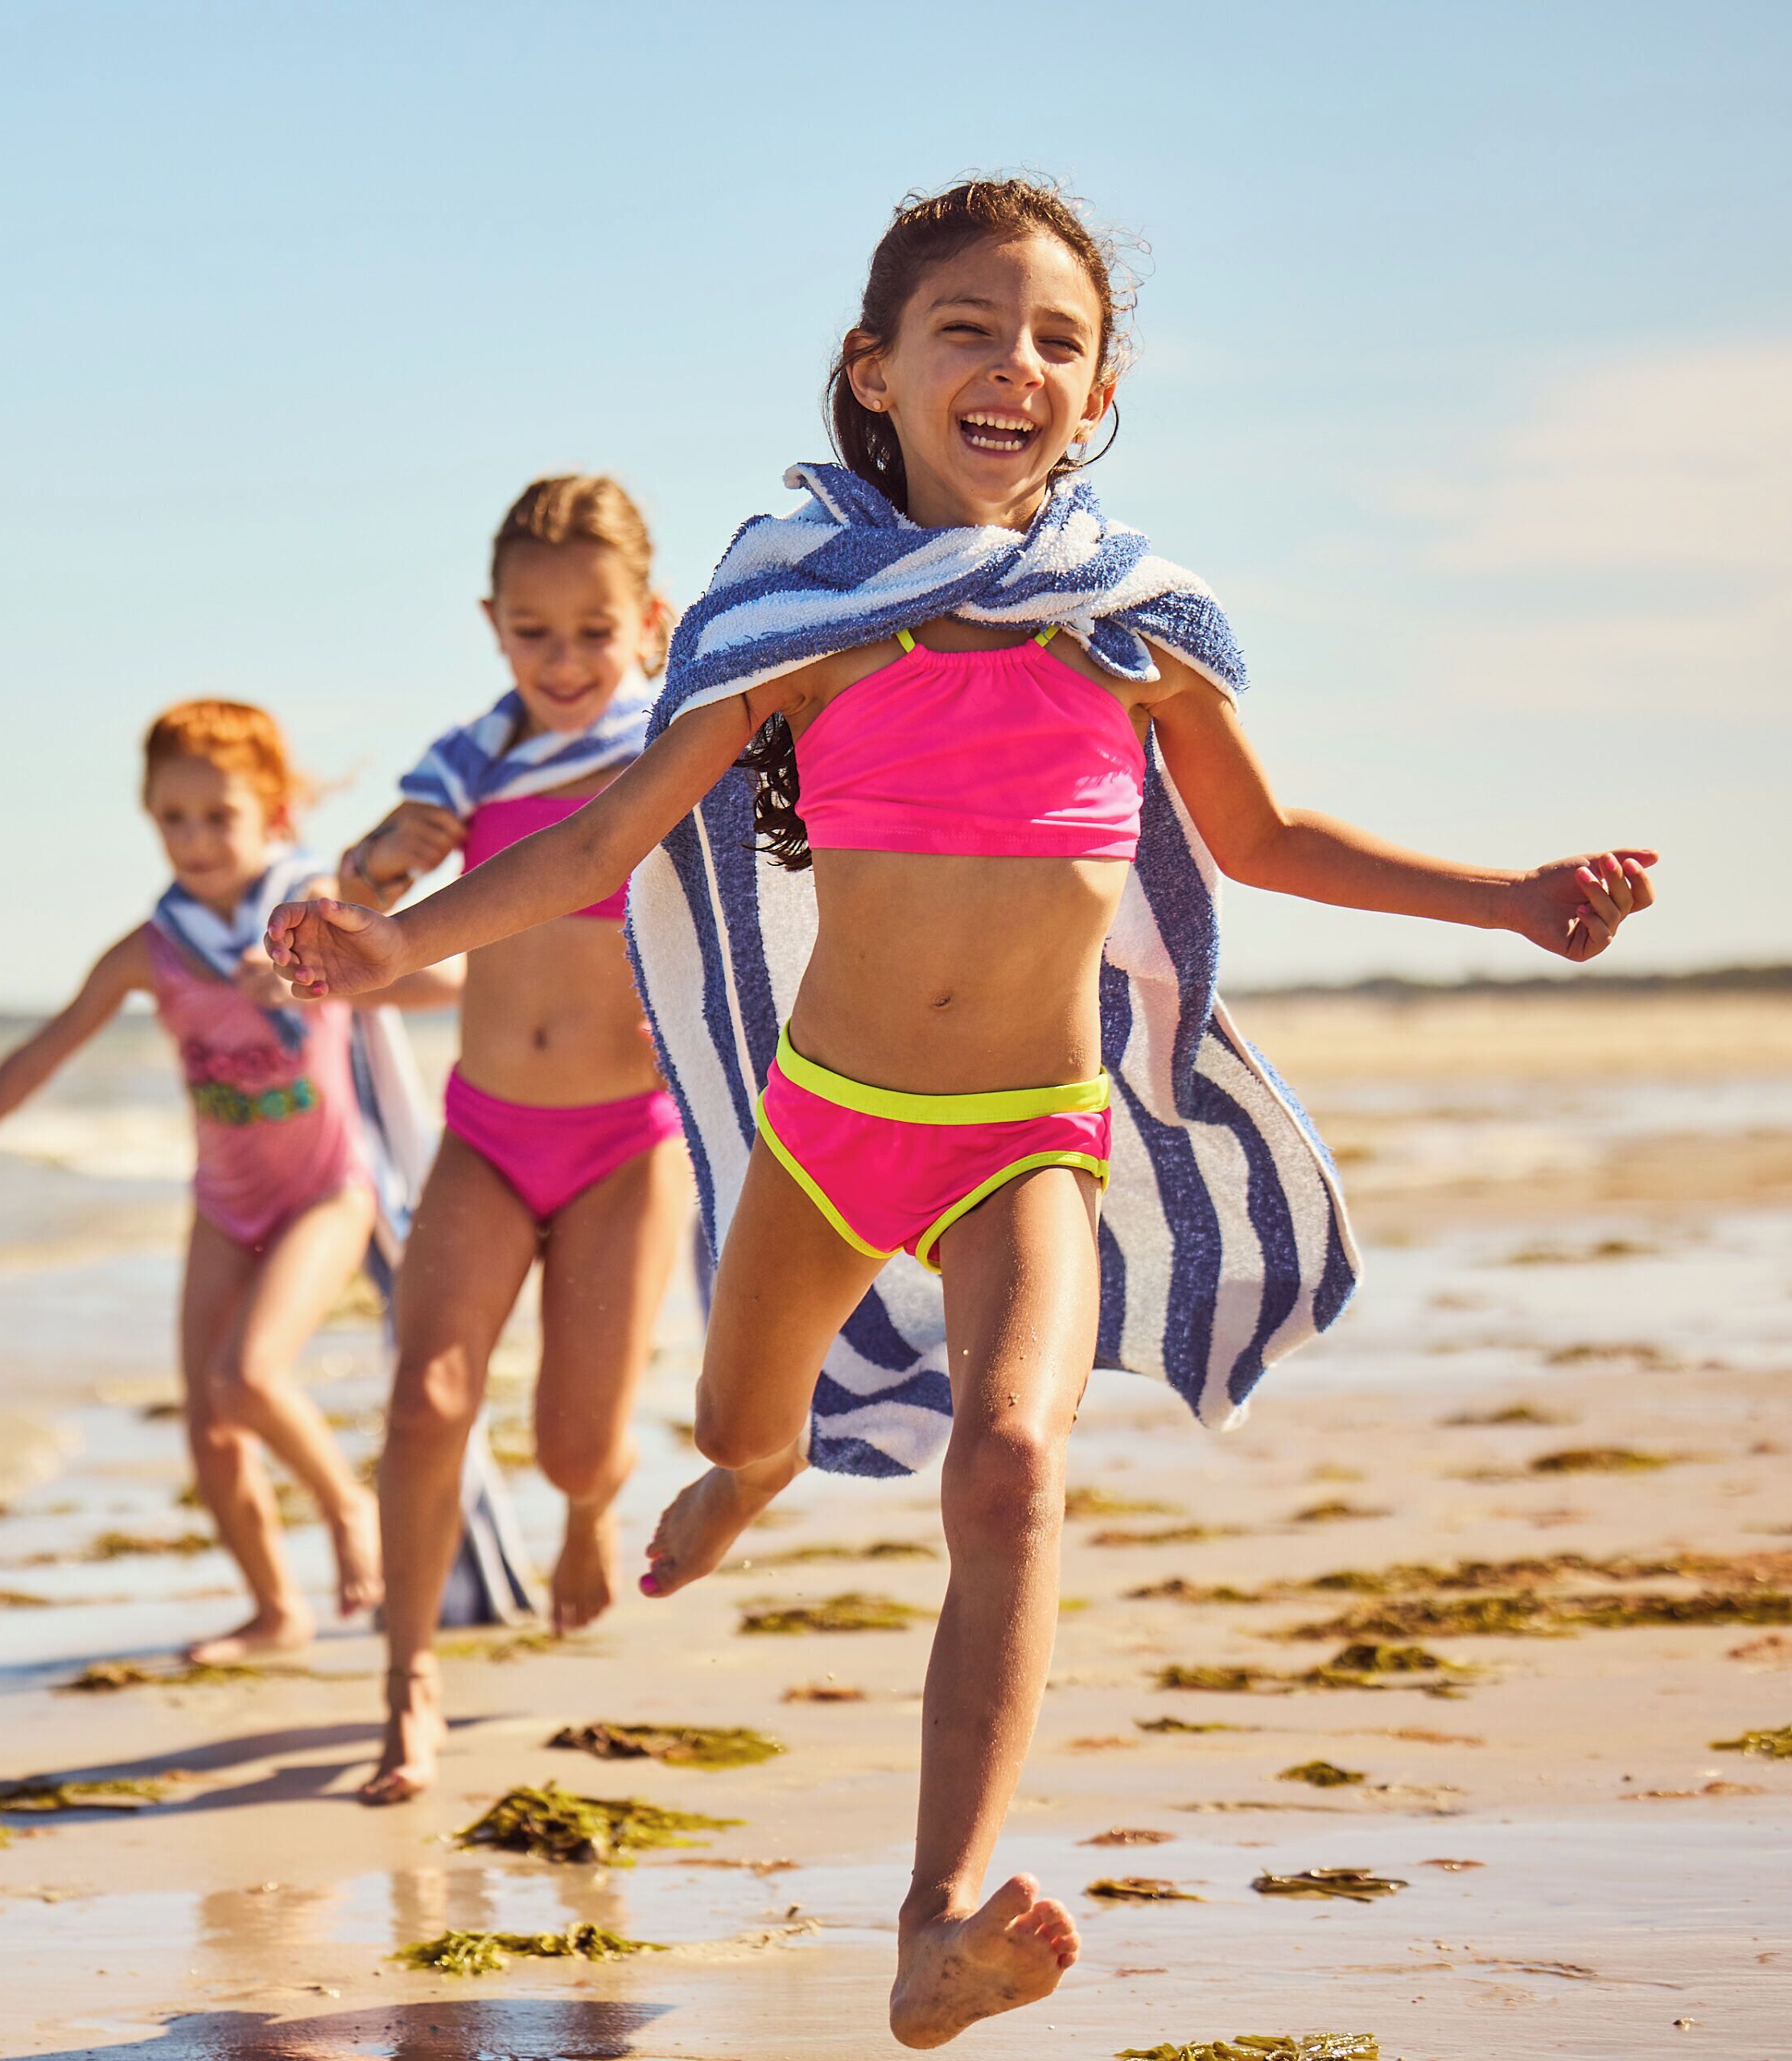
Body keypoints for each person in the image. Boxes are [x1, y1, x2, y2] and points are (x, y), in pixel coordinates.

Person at [268, 179, 1657, 2046]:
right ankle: (756, 1470)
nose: (1014, 365)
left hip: (1029, 1132)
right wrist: (383, 948)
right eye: (968, 331)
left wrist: (1504, 895)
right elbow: (604, 838)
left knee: (1004, 1464)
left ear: (1097, 392)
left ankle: (931, 1918)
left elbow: (1258, 840)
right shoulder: (801, 625)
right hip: (828, 1124)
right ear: (876, 369)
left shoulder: (1129, 631)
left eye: (1057, 340)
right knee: (735, 1419)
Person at [0, 699, 451, 1663]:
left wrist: (309, 974)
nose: (196, 839)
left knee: (247, 1376)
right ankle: (275, 1609)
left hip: (329, 1190)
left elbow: (439, 982)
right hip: (225, 1203)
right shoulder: (152, 950)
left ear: (275, 813)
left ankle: (348, 1507)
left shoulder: (313, 906)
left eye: (220, 816)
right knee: (209, 1425)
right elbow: (43, 1051)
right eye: (174, 817)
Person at [332, 476, 695, 1803]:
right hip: (485, 1136)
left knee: (575, 1446)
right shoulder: (471, 756)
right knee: (426, 1402)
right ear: (493, 624)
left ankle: (591, 1513)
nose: (561, 661)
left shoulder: (677, 748)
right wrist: (363, 879)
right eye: (532, 632)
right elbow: (378, 867)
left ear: (648, 620)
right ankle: (408, 1685)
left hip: (625, 1142)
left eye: (591, 632)